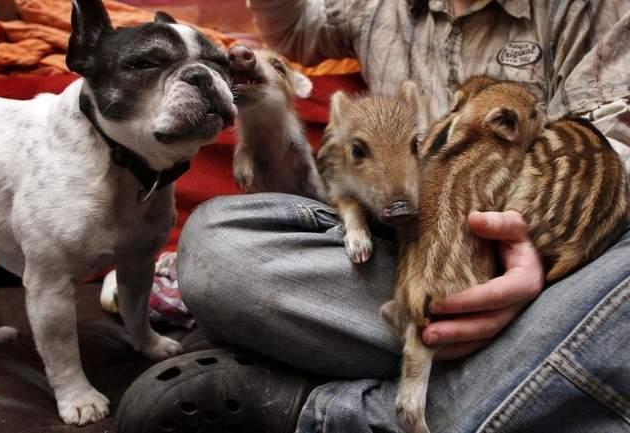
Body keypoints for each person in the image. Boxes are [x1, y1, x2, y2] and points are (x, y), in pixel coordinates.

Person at [177, 1, 630, 432]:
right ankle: (525, 376)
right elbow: (295, 29)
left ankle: (334, 411)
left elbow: (613, 144)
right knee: (215, 250)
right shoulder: (374, 8)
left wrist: (531, 259)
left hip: (555, 272)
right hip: (403, 254)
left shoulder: (586, 8)